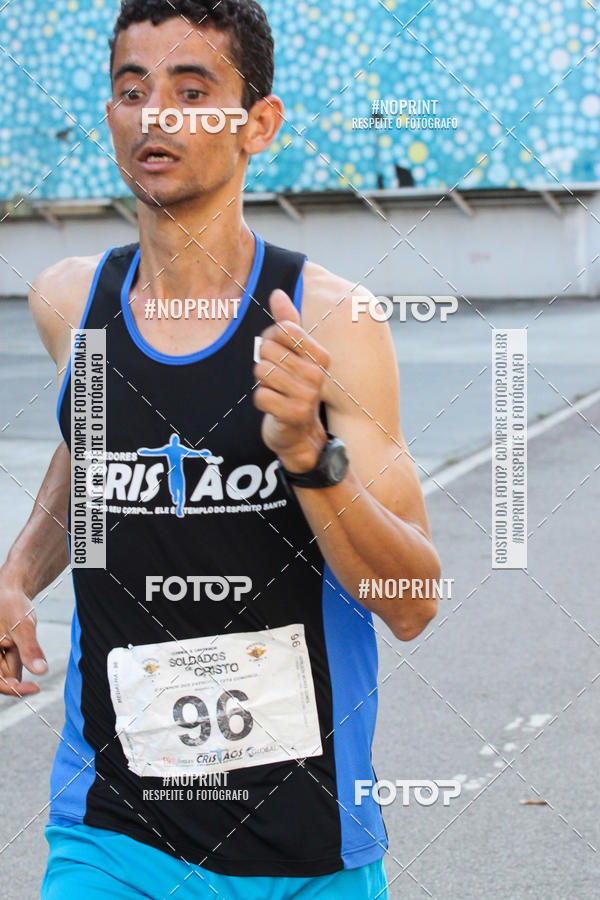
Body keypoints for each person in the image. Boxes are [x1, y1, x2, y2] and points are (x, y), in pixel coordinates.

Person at [0, 1, 441, 897]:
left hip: (308, 843)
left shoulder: (331, 322)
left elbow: (411, 600)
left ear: (258, 126)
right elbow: (87, 452)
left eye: (192, 90)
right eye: (132, 89)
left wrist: (310, 455)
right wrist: (16, 578)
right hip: (112, 830)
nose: (155, 113)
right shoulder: (68, 302)